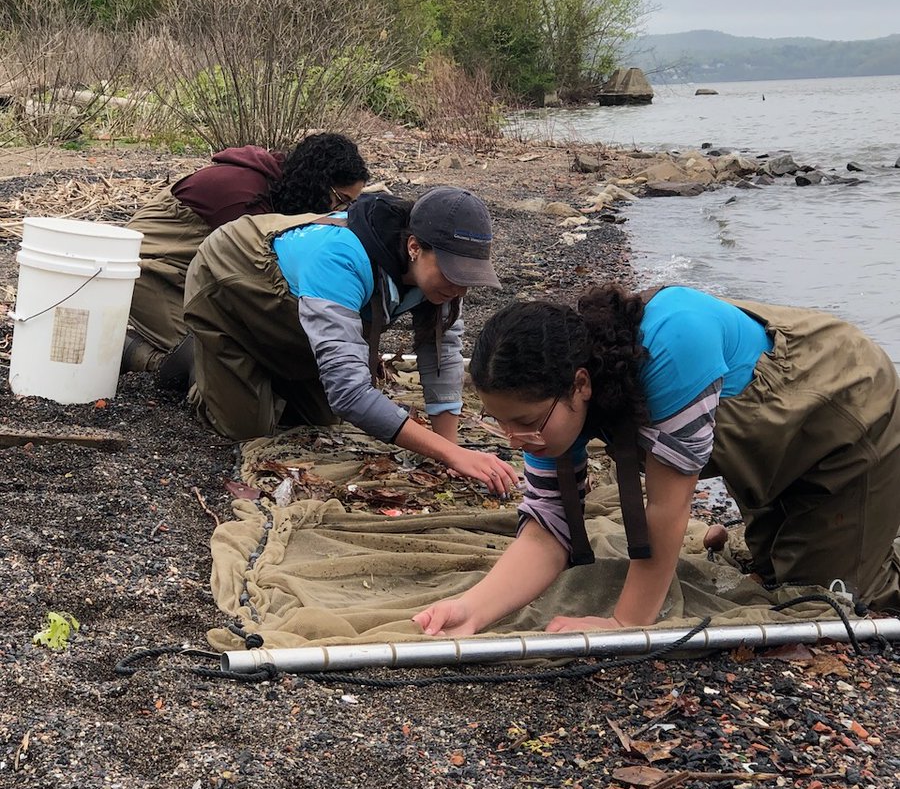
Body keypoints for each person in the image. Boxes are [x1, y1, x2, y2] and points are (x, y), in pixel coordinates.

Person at [414, 285, 900, 636]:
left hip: (844, 405)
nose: (516, 440)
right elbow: (550, 523)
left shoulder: (671, 345)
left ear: (580, 384)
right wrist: (472, 609)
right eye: (500, 423)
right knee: (774, 575)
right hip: (761, 447)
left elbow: (667, 507)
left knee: (830, 594)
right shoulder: (547, 410)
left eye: (525, 423)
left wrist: (626, 622)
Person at [181, 186, 521, 496]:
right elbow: (349, 394)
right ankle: (198, 365)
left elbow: (442, 354)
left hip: (301, 308)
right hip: (229, 285)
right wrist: (449, 453)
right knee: (250, 427)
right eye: (452, 272)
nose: (460, 288)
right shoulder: (340, 258)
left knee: (320, 420)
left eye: (469, 276)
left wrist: (451, 451)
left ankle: (260, 370)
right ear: (414, 247)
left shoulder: (439, 278)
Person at [122, 133, 369, 377]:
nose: (339, 211)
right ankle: (134, 353)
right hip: (143, 274)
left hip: (192, 278)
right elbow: (257, 280)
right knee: (222, 361)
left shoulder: (283, 190)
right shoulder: (242, 193)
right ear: (318, 182)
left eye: (349, 206)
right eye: (340, 200)